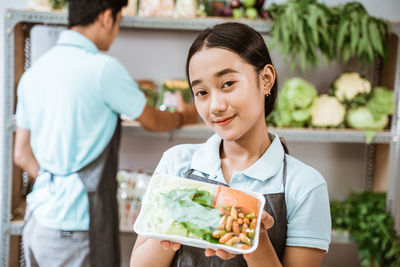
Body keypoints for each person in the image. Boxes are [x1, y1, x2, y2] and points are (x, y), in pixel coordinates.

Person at [130, 22, 331, 267]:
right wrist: (171, 223)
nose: (215, 106)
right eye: (202, 93)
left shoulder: (305, 185)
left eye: (227, 84)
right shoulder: (178, 163)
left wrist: (255, 240)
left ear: (265, 78)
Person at [13, 0, 197, 266]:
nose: (116, 30)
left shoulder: (35, 72)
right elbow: (154, 121)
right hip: (76, 225)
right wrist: (187, 114)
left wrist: (57, 182)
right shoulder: (103, 69)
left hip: (38, 222)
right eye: (119, 21)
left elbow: (21, 154)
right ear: (106, 17)